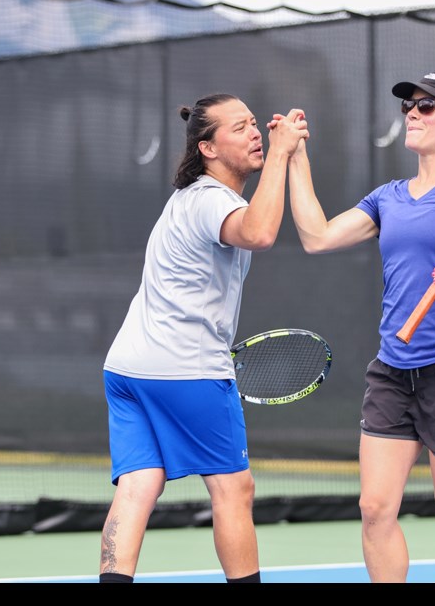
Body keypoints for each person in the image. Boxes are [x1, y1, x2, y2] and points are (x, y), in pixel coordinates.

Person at [285, 71, 435, 583]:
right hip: (393, 371)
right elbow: (317, 237)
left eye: (427, 106)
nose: (412, 113)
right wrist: (295, 158)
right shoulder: (388, 197)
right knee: (374, 509)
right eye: (409, 106)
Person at [98, 93, 308, 584]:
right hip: (186, 370)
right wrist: (280, 154)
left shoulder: (187, 200)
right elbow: (258, 232)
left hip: (128, 369)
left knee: (137, 486)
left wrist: (284, 155)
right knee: (234, 490)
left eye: (256, 124)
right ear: (208, 148)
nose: (256, 133)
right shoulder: (212, 199)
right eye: (240, 128)